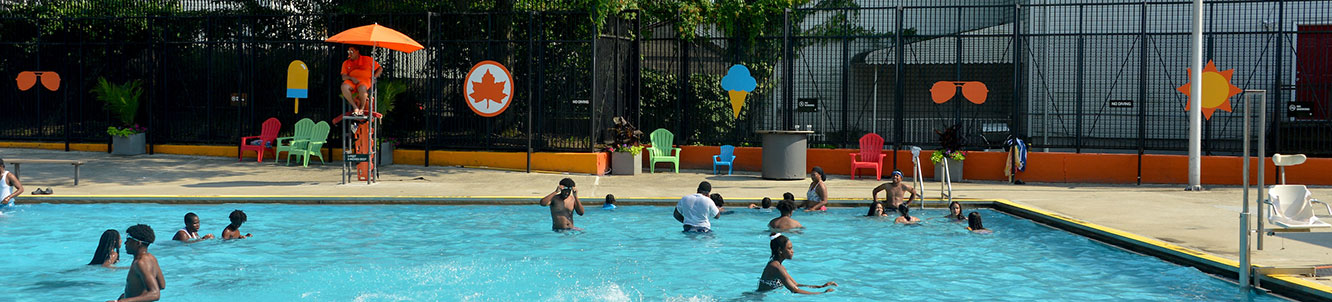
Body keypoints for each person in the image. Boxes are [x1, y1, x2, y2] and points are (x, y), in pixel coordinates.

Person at [756, 233, 837, 294]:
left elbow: (796, 284)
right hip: (759, 298)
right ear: (780, 250)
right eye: (789, 248)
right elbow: (794, 290)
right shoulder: (776, 267)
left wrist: (821, 287)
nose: (792, 251)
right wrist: (822, 293)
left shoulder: (779, 266)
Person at [110, 224, 164, 302]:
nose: (125, 243)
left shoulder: (140, 263)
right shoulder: (151, 258)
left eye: (128, 240)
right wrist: (126, 295)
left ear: (138, 243)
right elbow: (161, 285)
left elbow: (155, 294)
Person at [340, 45, 383, 116]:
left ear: (357, 51)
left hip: (365, 81)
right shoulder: (346, 63)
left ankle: (361, 109)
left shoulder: (367, 59)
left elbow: (380, 68)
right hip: (352, 81)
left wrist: (374, 77)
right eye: (348, 51)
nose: (350, 53)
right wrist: (351, 78)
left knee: (362, 88)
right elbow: (343, 77)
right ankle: (355, 107)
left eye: (352, 51)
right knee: (344, 86)